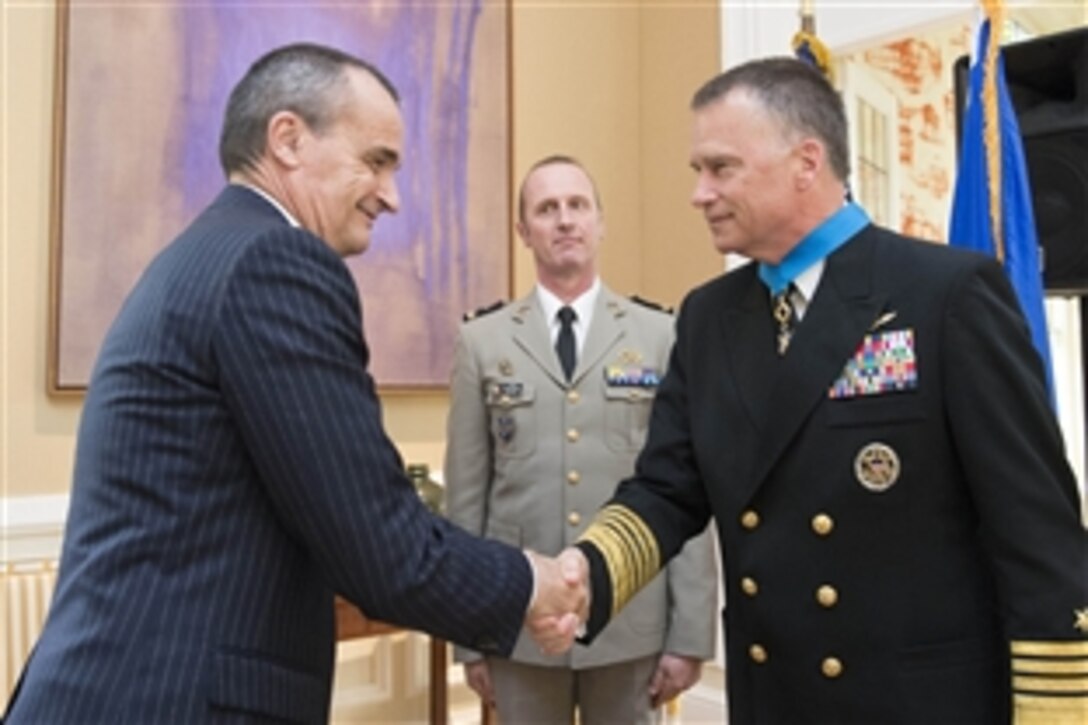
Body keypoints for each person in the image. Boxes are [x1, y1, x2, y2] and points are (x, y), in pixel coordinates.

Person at [4, 43, 584, 724]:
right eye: (376, 161)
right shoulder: (274, 262)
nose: (393, 196)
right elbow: (382, 548)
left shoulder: (206, 252)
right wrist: (533, 583)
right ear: (287, 140)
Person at [558, 57, 1088, 724]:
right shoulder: (708, 316)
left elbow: (1036, 531)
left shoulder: (946, 294)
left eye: (720, 168)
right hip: (775, 699)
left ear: (806, 162)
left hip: (915, 702)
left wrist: (1054, 714)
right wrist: (584, 573)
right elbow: (668, 486)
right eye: (698, 170)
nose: (699, 192)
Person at [445, 155, 717, 724]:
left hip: (631, 621)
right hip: (518, 624)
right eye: (547, 209)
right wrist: (469, 637)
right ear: (524, 231)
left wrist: (688, 634)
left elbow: (687, 494)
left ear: (600, 222)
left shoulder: (660, 335)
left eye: (577, 205)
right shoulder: (481, 341)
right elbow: (467, 502)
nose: (564, 220)